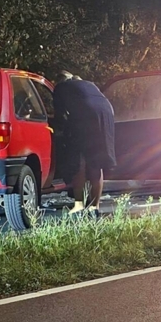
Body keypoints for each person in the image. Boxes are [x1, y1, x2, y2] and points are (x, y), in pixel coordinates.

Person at [52, 70, 116, 215]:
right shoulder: (88, 85)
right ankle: (95, 206)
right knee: (96, 162)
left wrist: (58, 129)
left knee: (78, 161)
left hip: (87, 116)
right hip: (106, 116)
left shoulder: (61, 88)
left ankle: (79, 205)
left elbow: (59, 115)